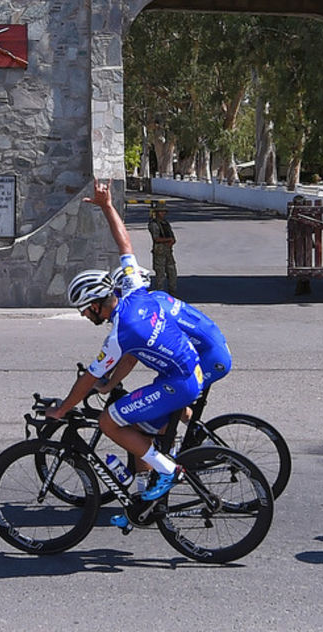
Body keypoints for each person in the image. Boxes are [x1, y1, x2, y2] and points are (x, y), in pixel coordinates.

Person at [46, 179, 207, 527]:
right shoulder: (133, 287)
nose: (85, 317)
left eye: (84, 311)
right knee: (134, 423)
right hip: (186, 373)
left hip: (179, 384)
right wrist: (106, 206)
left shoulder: (120, 335)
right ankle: (145, 494)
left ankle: (168, 470)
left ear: (96, 305)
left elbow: (90, 376)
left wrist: (62, 409)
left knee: (109, 421)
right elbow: (126, 243)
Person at [147, 200, 177, 293]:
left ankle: (172, 293)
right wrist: (168, 240)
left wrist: (171, 241)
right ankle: (160, 294)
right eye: (161, 211)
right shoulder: (154, 224)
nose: (163, 213)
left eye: (164, 211)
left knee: (172, 273)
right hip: (159, 252)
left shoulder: (165, 223)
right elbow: (156, 238)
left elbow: (172, 237)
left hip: (168, 251)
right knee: (160, 275)